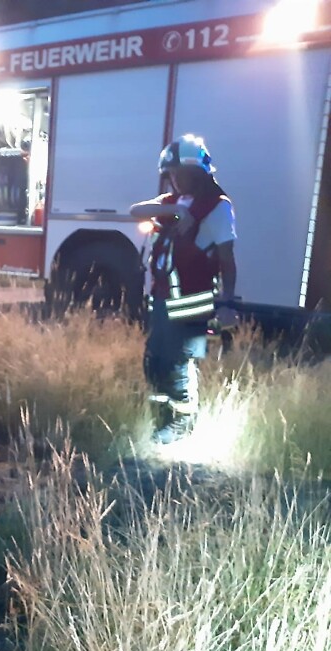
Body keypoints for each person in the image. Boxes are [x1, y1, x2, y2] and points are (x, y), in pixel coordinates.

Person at [129, 134, 238, 444]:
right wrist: (178, 212)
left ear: (197, 173)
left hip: (193, 301)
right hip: (163, 299)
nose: (174, 180)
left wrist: (227, 303)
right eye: (170, 175)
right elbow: (135, 210)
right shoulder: (173, 202)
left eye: (179, 173)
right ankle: (162, 419)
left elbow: (227, 260)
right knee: (155, 361)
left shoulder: (218, 208)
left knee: (179, 362)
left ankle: (183, 423)